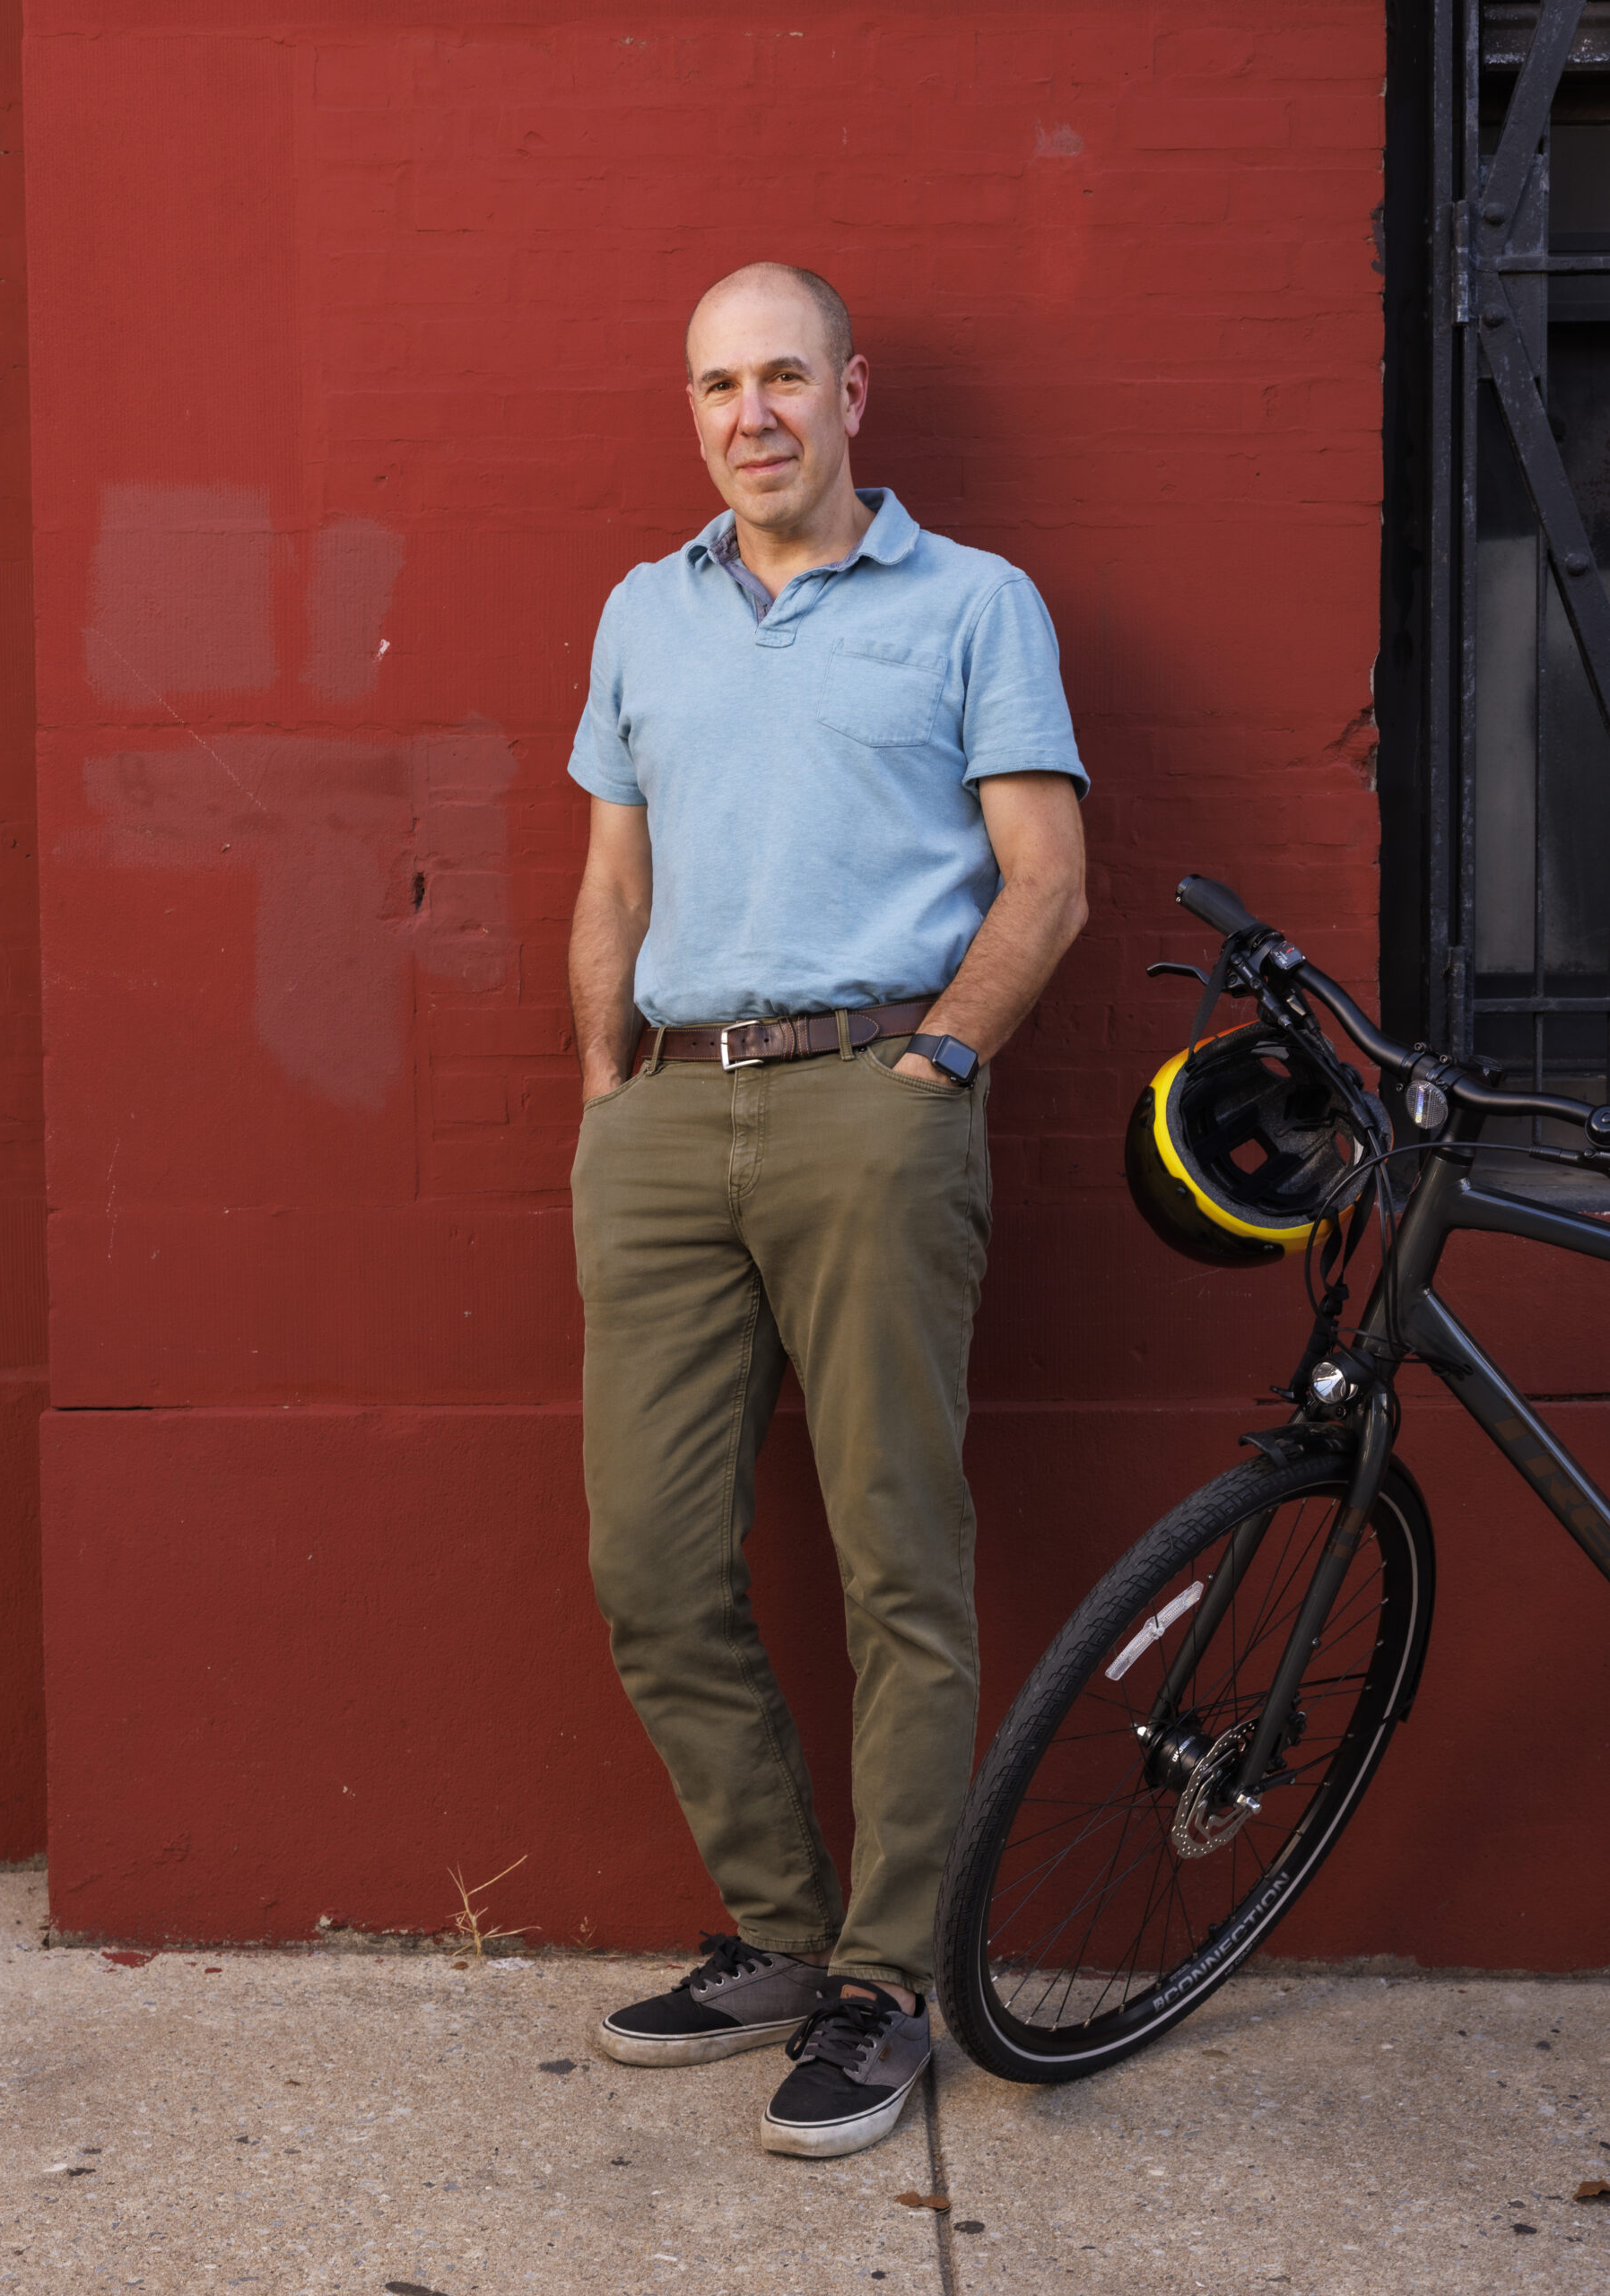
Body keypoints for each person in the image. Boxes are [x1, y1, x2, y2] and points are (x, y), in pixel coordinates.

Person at [564, 261, 1088, 2159]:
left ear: (851, 393)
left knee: (896, 1559)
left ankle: (884, 1979)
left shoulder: (969, 603)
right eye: (713, 383)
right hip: (666, 1120)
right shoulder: (644, 611)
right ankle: (779, 1930)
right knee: (648, 1553)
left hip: (874, 1101)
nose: (747, 413)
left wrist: (938, 1062)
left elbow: (1046, 877)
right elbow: (611, 881)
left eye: (781, 375)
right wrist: (600, 1090)